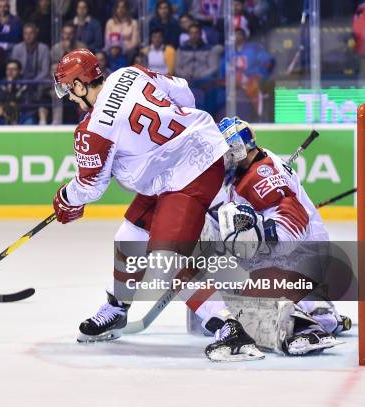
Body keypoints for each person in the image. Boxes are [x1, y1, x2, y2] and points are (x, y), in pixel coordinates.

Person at [52, 48, 264, 362]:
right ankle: (117, 307)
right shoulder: (129, 73)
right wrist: (172, 140)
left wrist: (66, 199)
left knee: (166, 263)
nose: (70, 98)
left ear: (81, 86)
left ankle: (229, 330)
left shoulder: (93, 129)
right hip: (192, 156)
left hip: (189, 176)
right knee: (130, 234)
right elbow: (184, 92)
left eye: (70, 90)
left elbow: (91, 186)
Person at [203, 116, 350, 355]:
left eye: (224, 150)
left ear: (237, 148)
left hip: (299, 258)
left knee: (244, 306)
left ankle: (306, 327)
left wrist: (265, 236)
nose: (222, 158)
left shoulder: (259, 175)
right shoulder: (254, 168)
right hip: (306, 260)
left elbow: (295, 219)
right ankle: (320, 313)